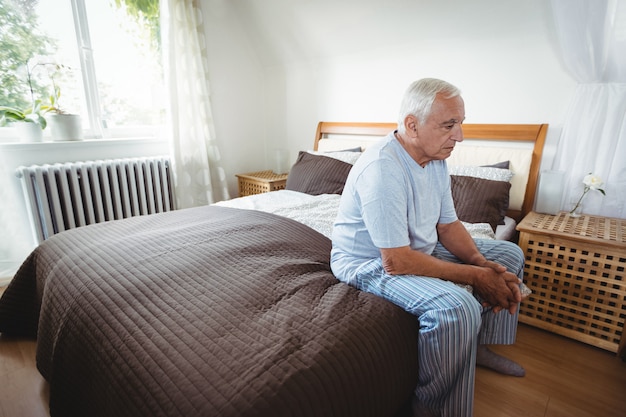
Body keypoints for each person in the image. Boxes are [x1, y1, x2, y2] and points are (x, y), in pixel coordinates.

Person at [330, 78, 526, 417]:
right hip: (369, 259)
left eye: (460, 124)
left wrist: (483, 263)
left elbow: (447, 226)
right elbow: (396, 261)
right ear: (412, 125)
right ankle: (431, 408)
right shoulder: (383, 169)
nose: (460, 136)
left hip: (415, 248)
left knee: (508, 254)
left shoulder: (436, 159)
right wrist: (476, 277)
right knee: (456, 306)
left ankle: (477, 346)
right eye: (449, 125)